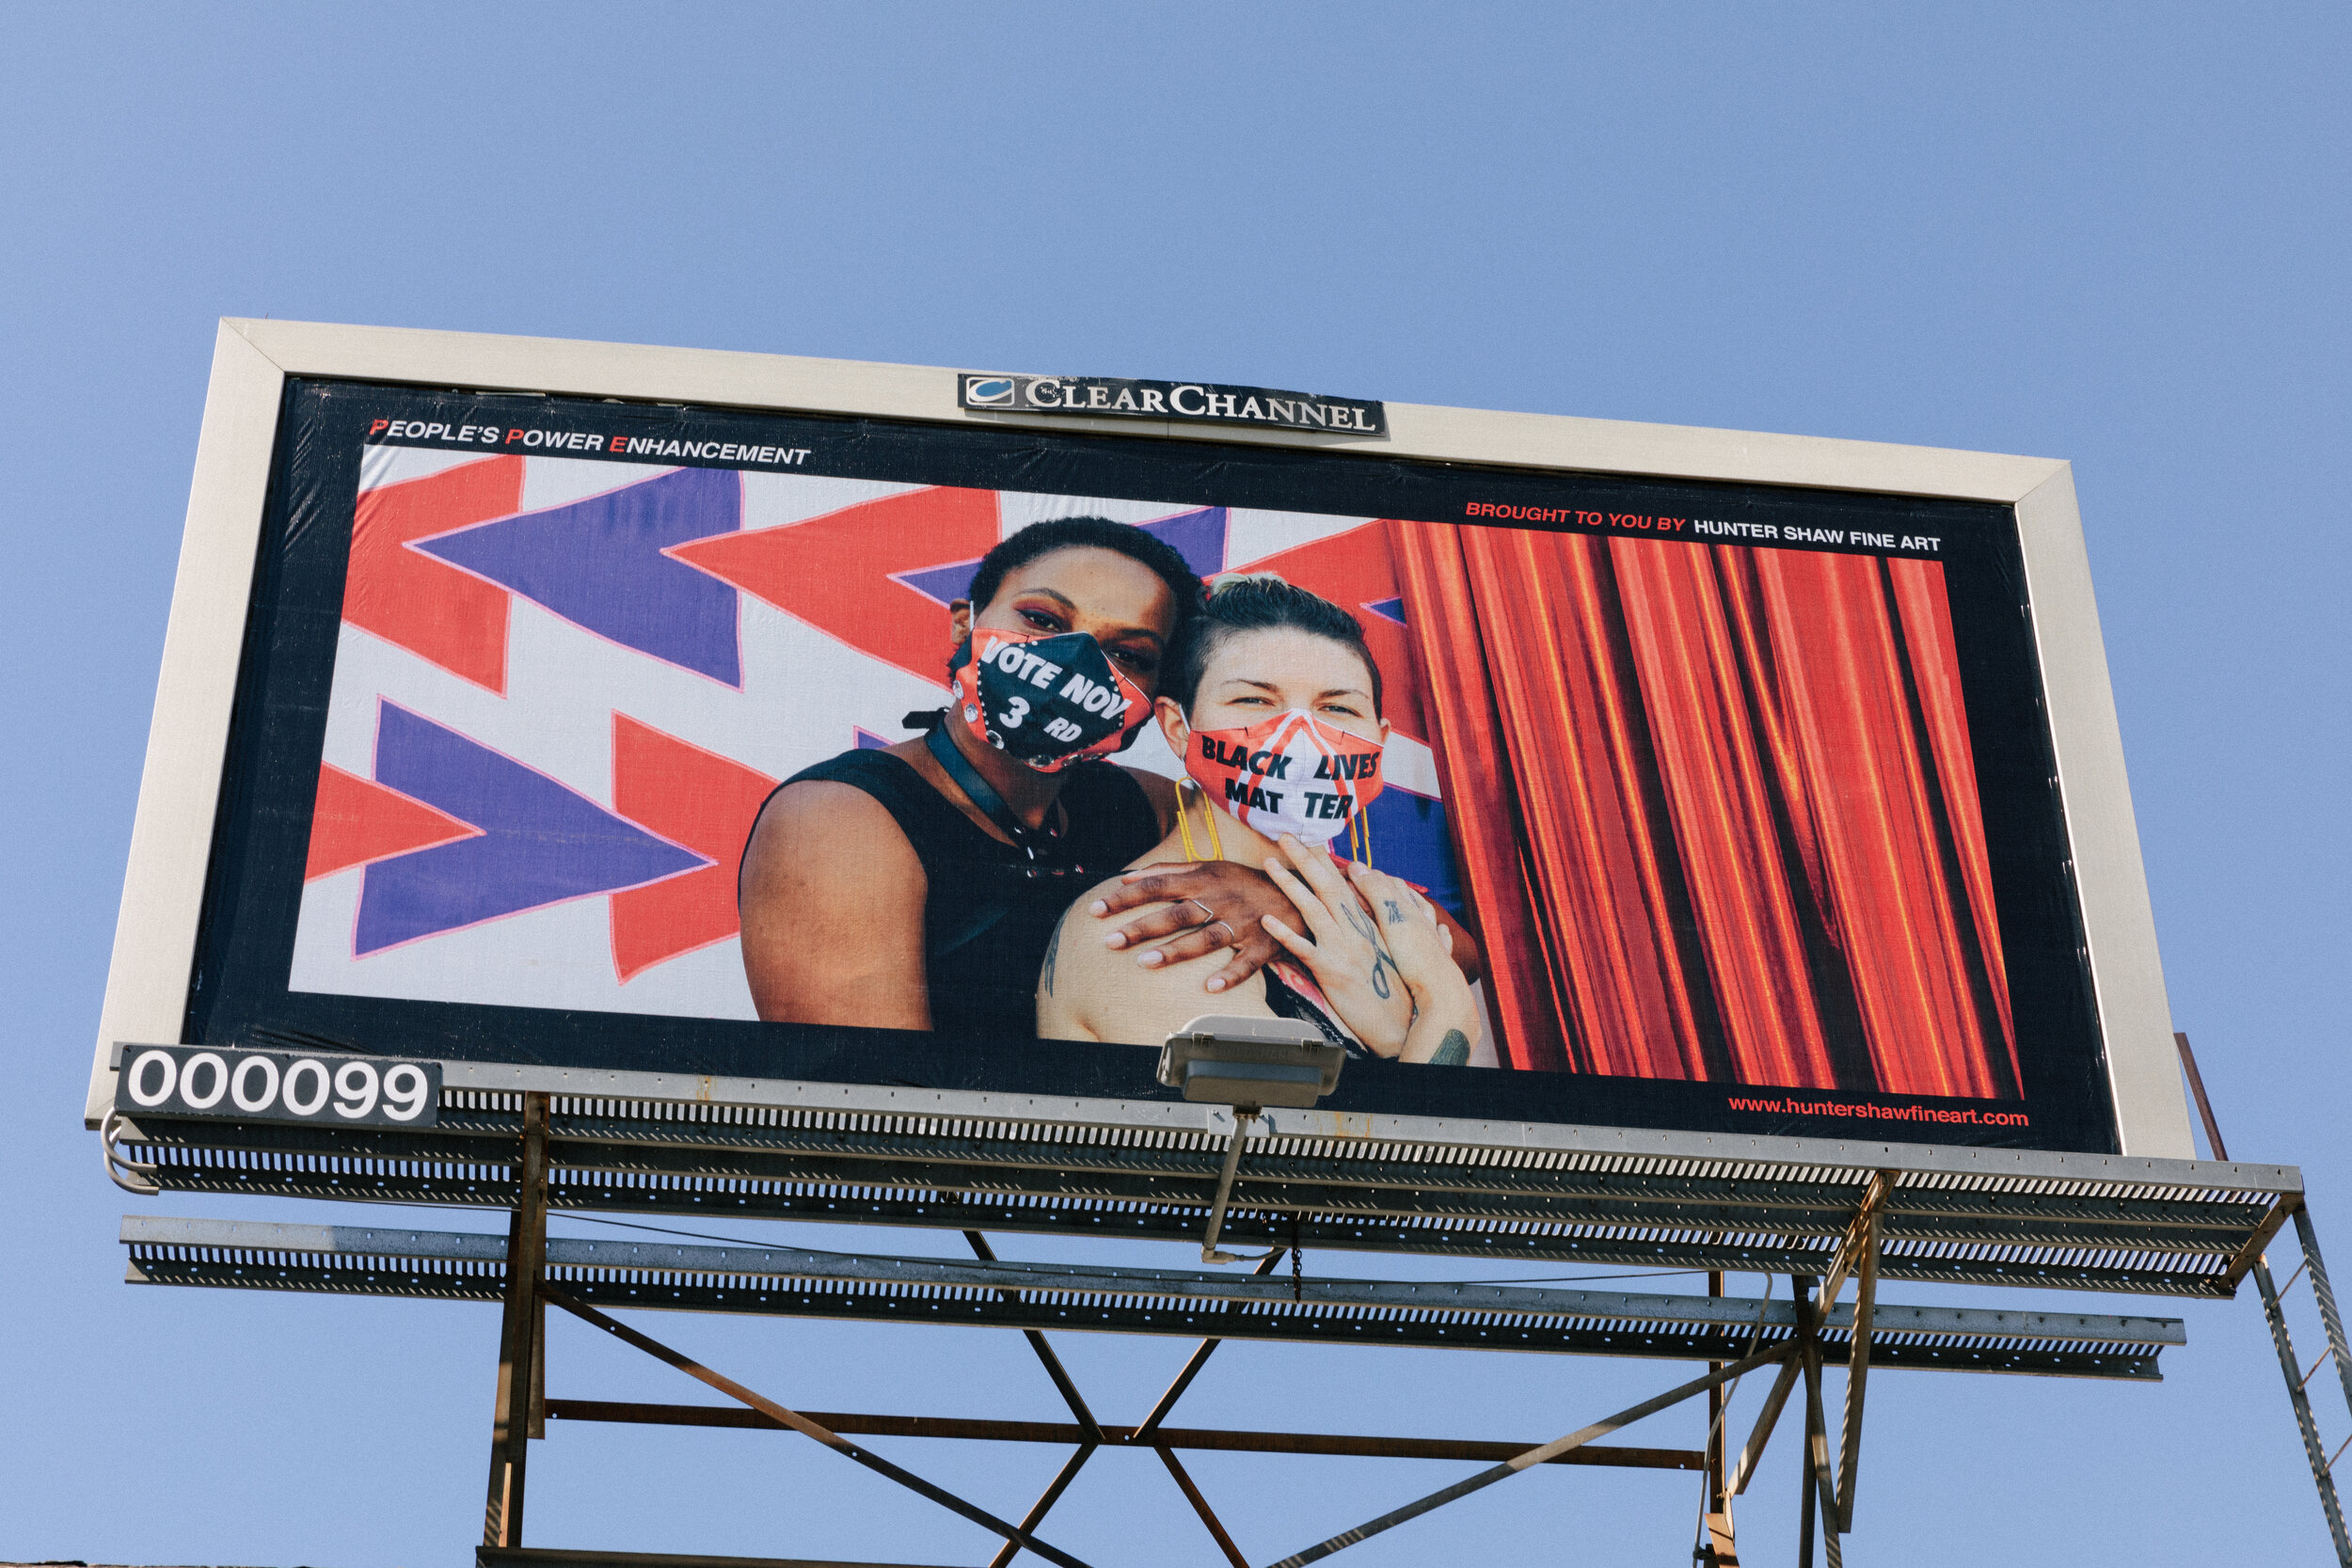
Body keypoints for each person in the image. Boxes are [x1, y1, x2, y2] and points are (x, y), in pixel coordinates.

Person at [739, 516, 1310, 1037]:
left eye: (1129, 652)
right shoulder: (840, 819)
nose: (1076, 662)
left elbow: (1308, 865)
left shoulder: (1138, 804)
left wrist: (1274, 899)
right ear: (965, 625)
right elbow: (866, 1103)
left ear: (1158, 697)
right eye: (1041, 620)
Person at [1036, 574, 1482, 1064]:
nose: (1300, 736)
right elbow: (1309, 1141)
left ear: (1380, 739)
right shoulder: (1144, 927)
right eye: (1253, 701)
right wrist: (1444, 1009)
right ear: (1178, 728)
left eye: (1337, 708)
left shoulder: (1374, 902)